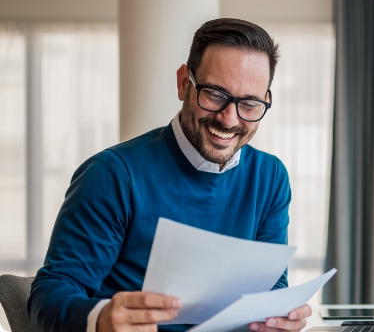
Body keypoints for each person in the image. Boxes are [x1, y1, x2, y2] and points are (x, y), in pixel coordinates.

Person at [28, 19, 312, 332]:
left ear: (265, 102)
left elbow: (271, 289)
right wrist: (101, 320)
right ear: (183, 84)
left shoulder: (270, 178)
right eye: (215, 94)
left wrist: (278, 318)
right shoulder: (113, 174)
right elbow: (50, 295)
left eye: (249, 103)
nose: (230, 119)